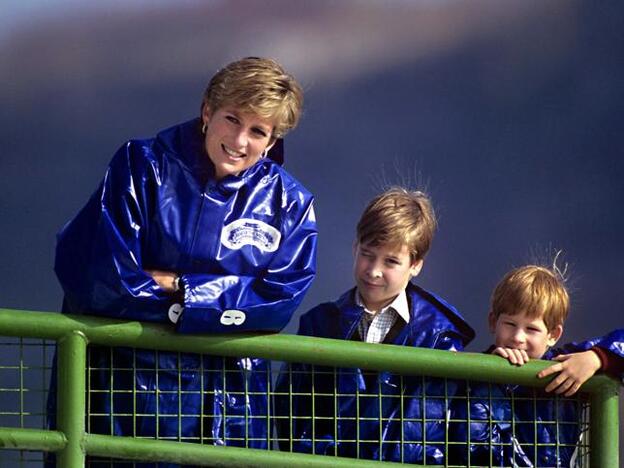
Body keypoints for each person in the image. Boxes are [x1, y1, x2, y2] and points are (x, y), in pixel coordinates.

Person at [50, 57, 317, 465]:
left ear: (272, 139)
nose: (240, 140)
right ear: (207, 111)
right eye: (232, 119)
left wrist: (183, 291)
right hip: (127, 407)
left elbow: (279, 300)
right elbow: (96, 276)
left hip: (233, 416)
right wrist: (220, 306)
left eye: (258, 131)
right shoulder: (141, 166)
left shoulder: (290, 203)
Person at [275, 187, 475, 464]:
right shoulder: (319, 324)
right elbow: (292, 411)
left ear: (415, 265)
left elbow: (443, 423)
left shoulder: (439, 336)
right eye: (368, 254)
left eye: (391, 261)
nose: (374, 270)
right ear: (355, 247)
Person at [450, 264, 624, 467]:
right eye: (510, 324)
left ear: (553, 335)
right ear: (493, 322)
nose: (517, 338)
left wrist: (597, 358)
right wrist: (492, 380)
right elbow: (469, 447)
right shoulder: (473, 373)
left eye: (531, 329)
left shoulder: (565, 364)